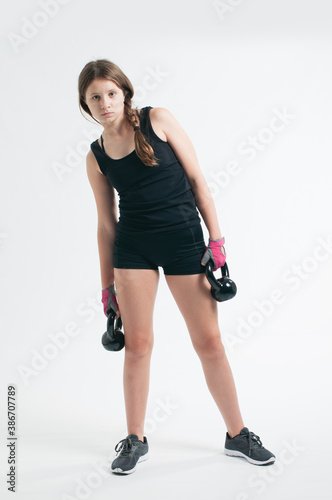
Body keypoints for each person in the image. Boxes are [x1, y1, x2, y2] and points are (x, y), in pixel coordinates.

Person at [78, 59, 276, 474]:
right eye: (95, 97)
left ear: (124, 92)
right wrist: (105, 288)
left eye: (110, 93)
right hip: (133, 252)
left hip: (185, 244)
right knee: (138, 346)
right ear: (85, 104)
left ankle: (237, 434)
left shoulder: (158, 119)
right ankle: (135, 440)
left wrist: (217, 241)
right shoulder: (95, 156)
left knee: (210, 343)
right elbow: (105, 225)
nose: (104, 102)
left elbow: (198, 181)